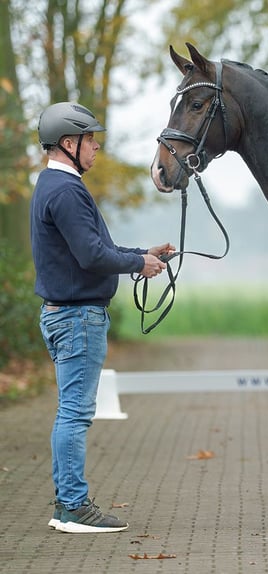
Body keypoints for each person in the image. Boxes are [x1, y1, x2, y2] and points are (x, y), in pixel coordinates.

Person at [30, 101, 174, 533]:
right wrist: (139, 266)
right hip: (78, 319)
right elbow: (92, 255)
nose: (95, 148)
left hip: (66, 315)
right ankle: (72, 507)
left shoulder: (50, 186)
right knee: (74, 413)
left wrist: (141, 255)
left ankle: (68, 505)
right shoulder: (67, 190)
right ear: (70, 143)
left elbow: (89, 250)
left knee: (70, 411)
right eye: (90, 140)